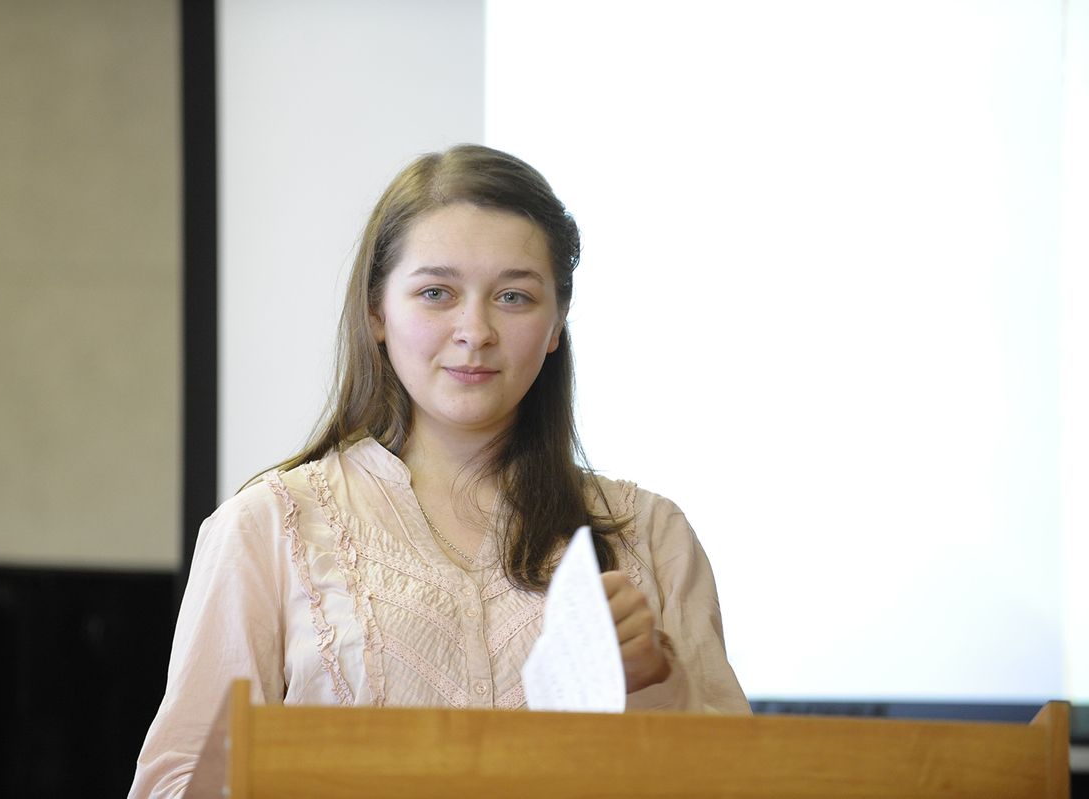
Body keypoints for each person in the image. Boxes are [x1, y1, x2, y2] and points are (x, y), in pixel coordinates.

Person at [129, 144, 748, 798]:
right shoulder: (268, 526)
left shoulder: (649, 533)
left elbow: (745, 779)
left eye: (513, 296)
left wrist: (654, 680)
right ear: (377, 312)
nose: (475, 330)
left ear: (556, 323)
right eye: (436, 293)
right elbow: (172, 783)